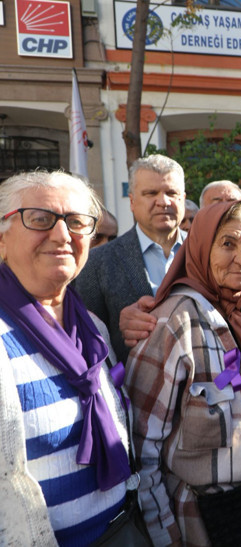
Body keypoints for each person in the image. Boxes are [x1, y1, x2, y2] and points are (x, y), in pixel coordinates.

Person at [125, 200, 241, 546]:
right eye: (227, 243)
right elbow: (142, 453)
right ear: (200, 247)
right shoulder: (174, 323)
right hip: (203, 521)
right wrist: (165, 535)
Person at [0, 171, 135, 545]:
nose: (62, 236)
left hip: (121, 531)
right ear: (1, 239)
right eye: (40, 219)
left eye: (76, 222)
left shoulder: (92, 328)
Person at [74, 154, 187, 363]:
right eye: (151, 193)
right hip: (134, 389)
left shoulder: (208, 254)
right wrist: (120, 327)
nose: (163, 201)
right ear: (132, 202)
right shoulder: (98, 262)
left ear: (183, 198)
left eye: (171, 192)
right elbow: (85, 340)